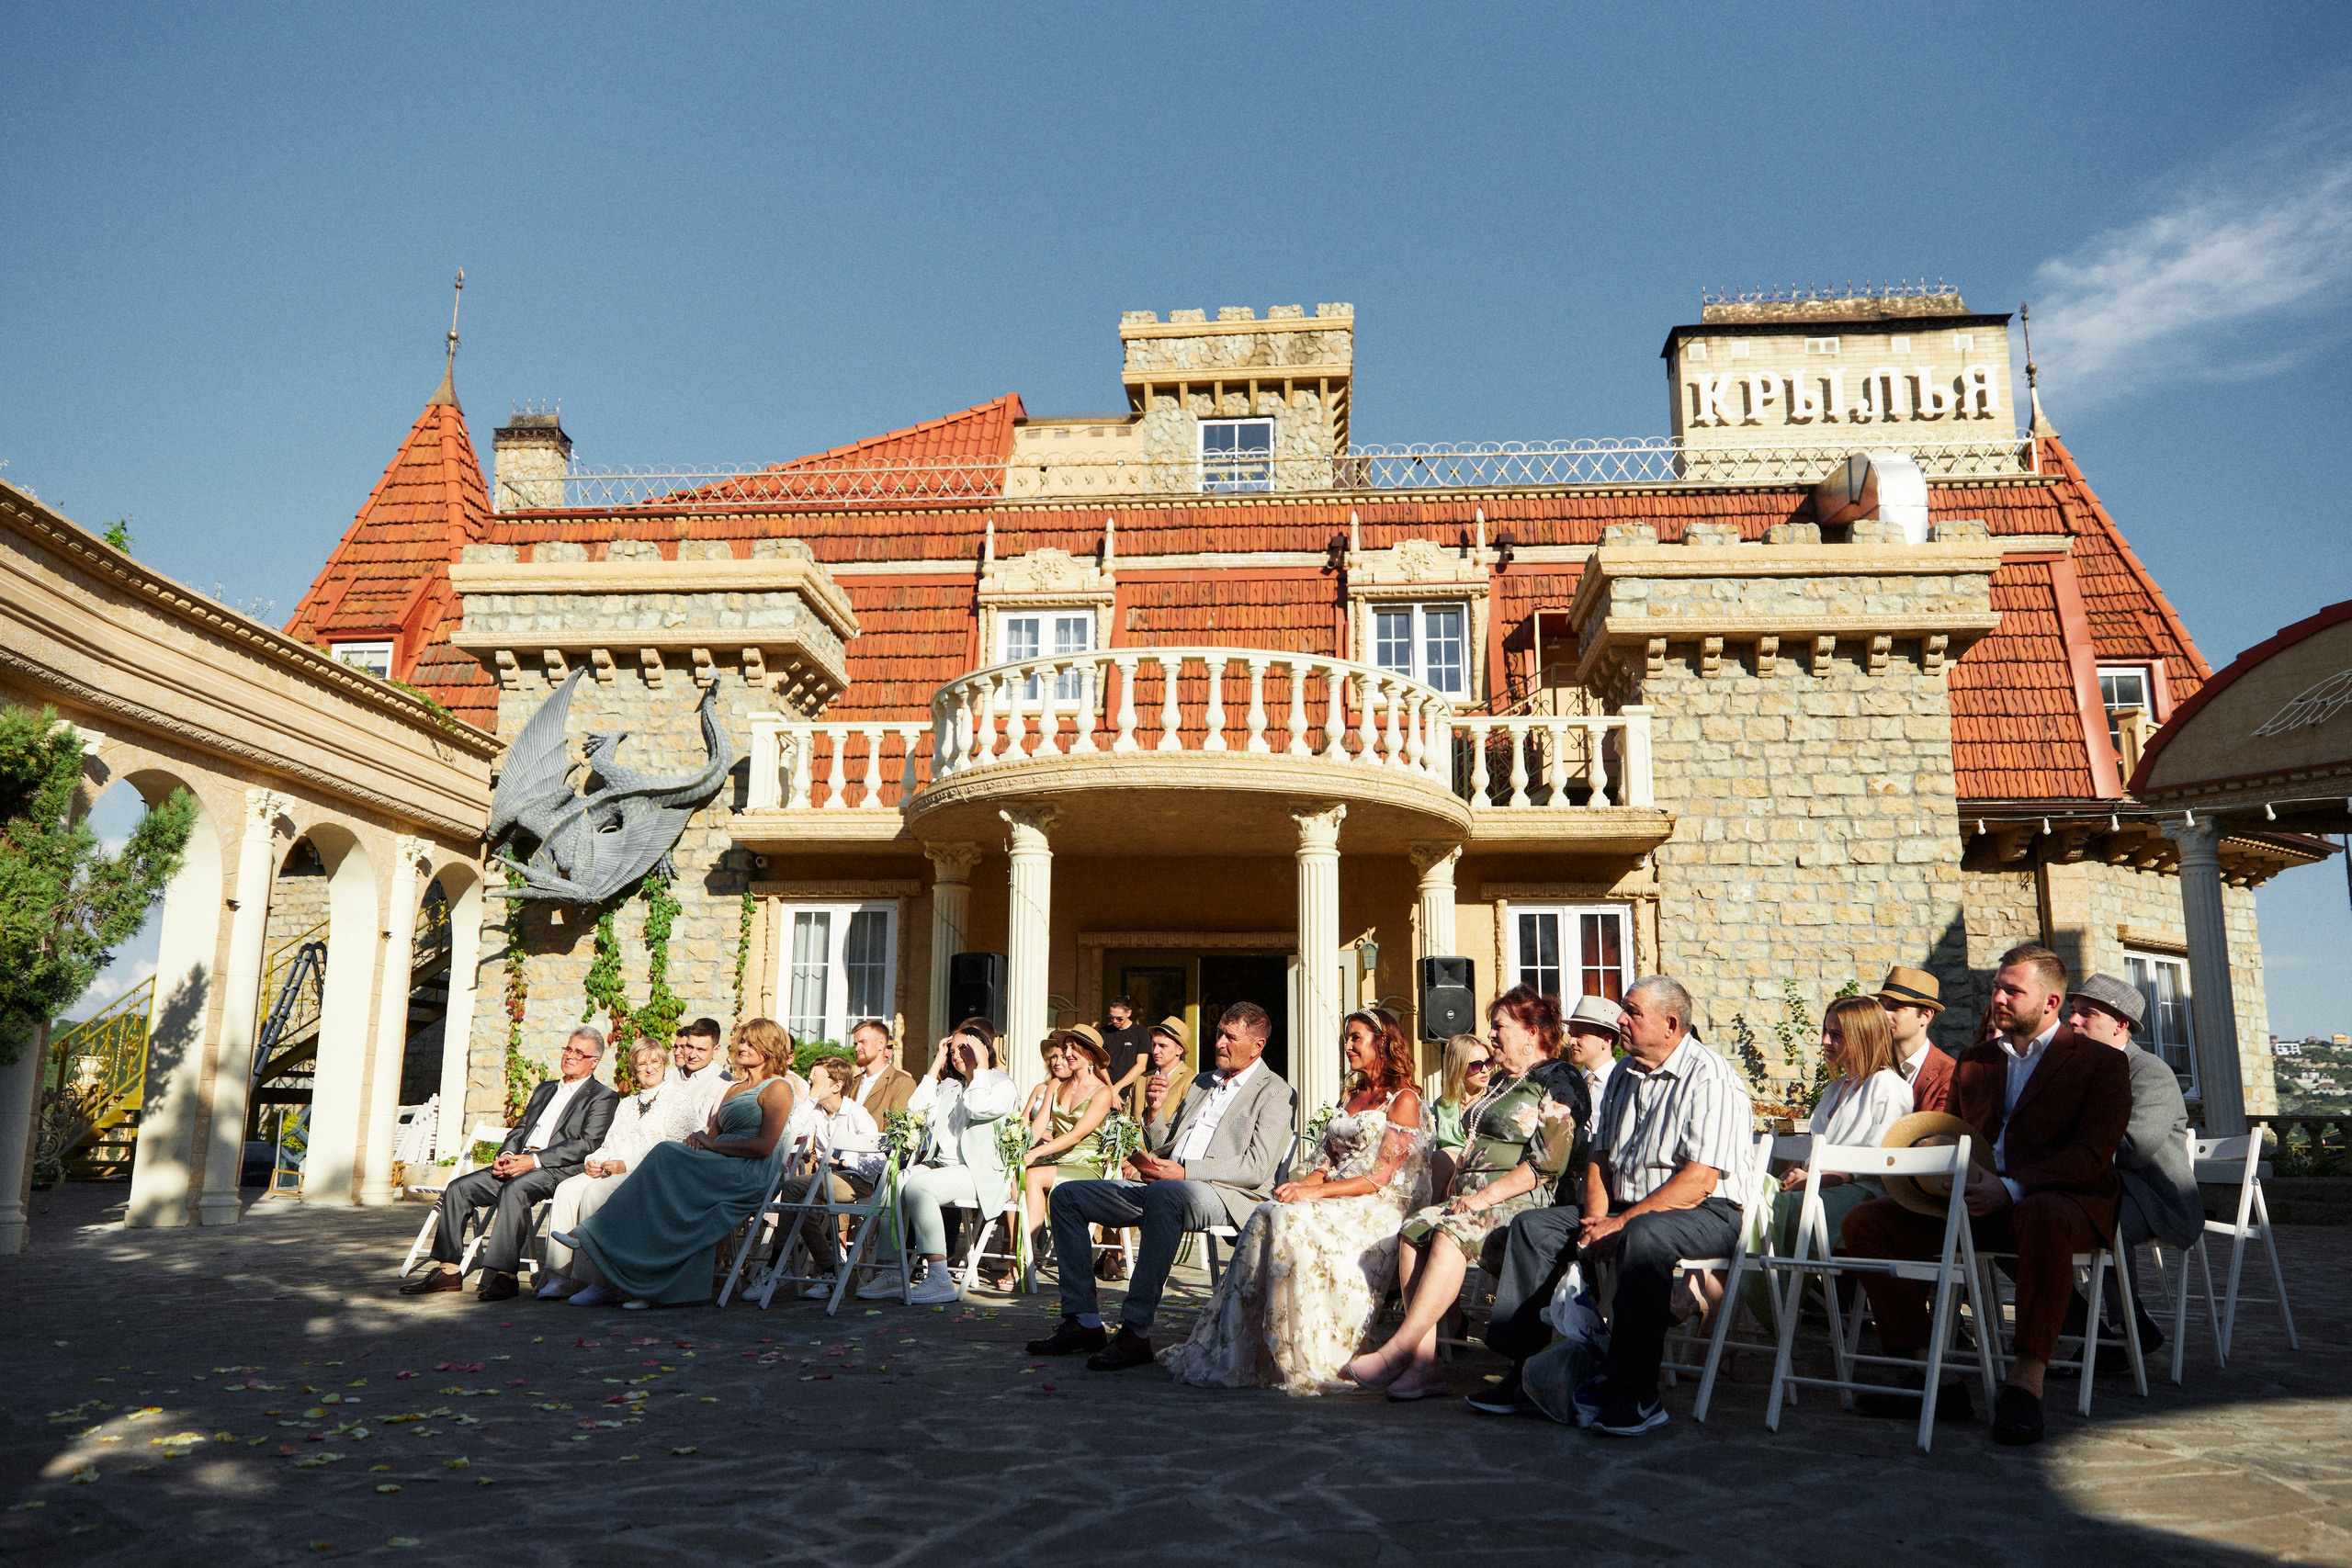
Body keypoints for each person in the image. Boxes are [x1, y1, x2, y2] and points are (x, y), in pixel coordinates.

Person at [1842, 944, 2132, 1445]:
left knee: (2039, 1215)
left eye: (2012, 990)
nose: (1997, 997)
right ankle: (1933, 1376)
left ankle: (2026, 1382)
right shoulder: (1974, 1061)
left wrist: (2011, 1188)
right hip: (1974, 1201)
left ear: (2051, 1002)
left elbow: (2090, 1156)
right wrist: (1936, 1176)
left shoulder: (2099, 1063)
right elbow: (1952, 1135)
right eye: (1997, 987)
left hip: (2065, 1201)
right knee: (1867, 1222)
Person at [1162, 1009, 1430, 1393]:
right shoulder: (1351, 1095)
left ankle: (1308, 1352)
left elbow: (1380, 1177)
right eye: (1347, 1038)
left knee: (1291, 1221)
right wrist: (1301, 1186)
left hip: (1376, 1207)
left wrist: (1315, 1193)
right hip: (1337, 1197)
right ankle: (1246, 1346)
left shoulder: (1403, 1100)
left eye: (1356, 1038)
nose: (1347, 1046)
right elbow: (1325, 1163)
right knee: (1268, 1212)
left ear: (1382, 1042)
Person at [1347, 986, 1587, 1403]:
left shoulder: (1559, 1079)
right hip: (1474, 1199)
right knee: (1415, 1228)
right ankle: (1425, 1365)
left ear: (1531, 1033)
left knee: (1451, 1231)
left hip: (1528, 1200)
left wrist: (1483, 1197)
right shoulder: (1503, 1081)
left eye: (1499, 1027)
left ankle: (1399, 1349)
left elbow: (1549, 1162)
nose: (1491, 1035)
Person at [1027, 1001, 1297, 1371]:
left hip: (1227, 1193)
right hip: (1168, 1187)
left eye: (1230, 1037)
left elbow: (1256, 1168)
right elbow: (1165, 1143)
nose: (1218, 1042)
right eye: (1219, 1032)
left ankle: (1135, 1330)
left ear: (1258, 1045)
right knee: (1068, 1196)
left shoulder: (1276, 1093)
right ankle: (1083, 1322)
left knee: (1165, 1194)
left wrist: (1184, 1173)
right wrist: (1153, 1115)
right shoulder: (1203, 1082)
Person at [1575, 976, 1754, 1438]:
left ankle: (1635, 1396)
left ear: (1670, 1024)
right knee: (1538, 1227)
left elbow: (1698, 1182)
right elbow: (1600, 1155)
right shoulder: (1622, 1072)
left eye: (1632, 1012)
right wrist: (1597, 1218)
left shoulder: (1710, 1077)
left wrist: (1619, 1224)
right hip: (1626, 1204)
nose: (1620, 1020)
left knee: (1642, 1237)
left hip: (1710, 1213)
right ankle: (1530, 1374)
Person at [560, 1018, 799, 1309]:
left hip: (748, 1173)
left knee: (663, 1154)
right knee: (663, 1192)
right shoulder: (735, 1088)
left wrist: (712, 1144)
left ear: (768, 1048)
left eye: (750, 1042)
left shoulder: (778, 1088)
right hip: (719, 1163)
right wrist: (701, 1140)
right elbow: (712, 1136)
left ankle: (594, 1234)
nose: (742, 1046)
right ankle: (648, 1286)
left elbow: (764, 1146)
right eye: (743, 1041)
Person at [1464, 994, 1621, 1415]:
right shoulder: (1514, 1079)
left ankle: (1522, 1369)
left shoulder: (1577, 1080)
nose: (1574, 1036)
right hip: (1596, 1191)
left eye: (1584, 1030)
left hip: (1593, 1196)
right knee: (1524, 1227)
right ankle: (1425, 1355)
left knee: (1529, 1226)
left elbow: (1559, 1160)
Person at [403, 1027, 618, 1302]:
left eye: (579, 1052)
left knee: (514, 1190)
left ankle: (505, 1277)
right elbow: (521, 1128)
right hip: (520, 1160)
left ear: (594, 1061)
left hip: (555, 1170)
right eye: (568, 1049)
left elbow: (587, 1143)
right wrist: (506, 1154)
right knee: (458, 1188)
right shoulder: (545, 1089)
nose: (570, 1056)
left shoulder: (602, 1096)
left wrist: (534, 1160)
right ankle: (449, 1271)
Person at [1737, 996, 1913, 1333]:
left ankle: (1768, 1302)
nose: (1825, 1041)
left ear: (1863, 1036)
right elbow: (1818, 1145)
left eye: (1837, 1034)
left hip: (1861, 1194)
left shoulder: (1889, 1086)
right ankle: (1747, 1295)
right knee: (1751, 1191)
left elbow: (1880, 1156)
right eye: (1826, 1031)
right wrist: (1801, 1171)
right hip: (1820, 1187)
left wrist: (1820, 1176)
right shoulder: (1835, 1089)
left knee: (1773, 1207)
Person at [2060, 973, 2200, 1355]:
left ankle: (2130, 1318)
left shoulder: (2149, 1072)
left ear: (2121, 1025)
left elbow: (2134, 1147)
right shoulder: (2072, 1070)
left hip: (2153, 1198)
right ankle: (2088, 1336)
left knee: (2100, 1216)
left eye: (2086, 1014)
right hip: (2090, 1188)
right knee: (2014, 1223)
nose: (2072, 1021)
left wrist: (2064, 1149)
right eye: (2072, 1012)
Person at [857, 1018, 1019, 1305]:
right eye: (951, 1049)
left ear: (982, 1049)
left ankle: (939, 1276)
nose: (956, 1054)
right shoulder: (951, 1087)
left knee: (920, 1187)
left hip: (981, 1174)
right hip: (943, 1169)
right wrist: (936, 1064)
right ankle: (893, 1271)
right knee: (895, 1180)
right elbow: (915, 1110)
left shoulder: (1001, 1085)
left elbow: (978, 1107)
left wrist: (980, 1066)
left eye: (963, 1049)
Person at [539, 1038, 672, 1297]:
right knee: (567, 1189)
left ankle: (599, 1281)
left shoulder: (677, 1100)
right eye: (642, 1064)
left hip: (649, 1173)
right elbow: (609, 1143)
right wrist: (594, 1161)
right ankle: (561, 1274)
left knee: (594, 1193)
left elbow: (671, 1148)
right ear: (634, 1071)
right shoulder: (627, 1104)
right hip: (613, 1169)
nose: (649, 1069)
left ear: (664, 1063)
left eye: (654, 1062)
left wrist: (627, 1165)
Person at [772, 1055, 885, 1298]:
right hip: (823, 1181)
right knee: (801, 1203)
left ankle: (774, 1266)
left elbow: (878, 1160)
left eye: (817, 1081)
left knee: (792, 1189)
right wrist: (811, 1097)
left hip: (857, 1181)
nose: (811, 1085)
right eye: (810, 1080)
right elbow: (793, 1131)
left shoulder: (856, 1113)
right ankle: (831, 1272)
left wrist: (843, 1161)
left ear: (836, 1086)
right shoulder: (816, 1112)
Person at [1020, 1029, 1117, 1265]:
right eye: (1067, 1047)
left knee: (1033, 1175)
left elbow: (1076, 1135)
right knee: (1015, 1176)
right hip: (1055, 1161)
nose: (1068, 1053)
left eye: (1075, 1048)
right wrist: (1019, 1151)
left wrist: (1036, 1153)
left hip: (1085, 1166)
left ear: (1090, 1055)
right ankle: (1016, 1247)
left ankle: (1024, 1260)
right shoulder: (1055, 1084)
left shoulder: (1102, 1092)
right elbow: (1038, 1125)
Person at [1876, 965, 1955, 1112]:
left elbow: (1936, 1131)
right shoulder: (1872, 1064)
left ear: (1926, 1016)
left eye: (1895, 1007)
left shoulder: (1948, 1076)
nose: (1884, 1014)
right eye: (1881, 1005)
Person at [1427, 1032, 1488, 1195]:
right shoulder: (1442, 1105)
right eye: (1476, 1065)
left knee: (1440, 1158)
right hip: (1442, 1174)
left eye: (1488, 1063)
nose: (1485, 1070)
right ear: (1458, 1067)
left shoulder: (1492, 1101)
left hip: (1477, 1167)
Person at [661, 1016, 733, 1144]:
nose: (692, 1055)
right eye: (689, 1047)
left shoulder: (721, 1080)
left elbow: (702, 1128)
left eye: (701, 1050)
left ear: (715, 1050)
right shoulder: (667, 1076)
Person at [846, 1018, 918, 1119]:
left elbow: (897, 1129)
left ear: (881, 1044)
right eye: (856, 1044)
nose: (857, 1048)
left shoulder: (901, 1082)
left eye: (863, 1042)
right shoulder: (853, 1083)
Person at [1138, 1016, 1196, 1136]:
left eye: (1162, 1046)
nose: (1155, 1051)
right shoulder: (1141, 1080)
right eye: (1153, 1045)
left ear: (1179, 1050)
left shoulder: (1192, 1081)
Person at [1100, 997, 1155, 1114]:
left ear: (1129, 1013)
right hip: (1106, 1090)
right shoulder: (1104, 1032)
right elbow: (1100, 1064)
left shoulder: (1141, 1032)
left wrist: (1116, 1088)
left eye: (1119, 1018)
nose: (1115, 1021)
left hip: (1131, 1093)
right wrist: (1111, 1090)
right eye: (1111, 1017)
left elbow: (1141, 1066)